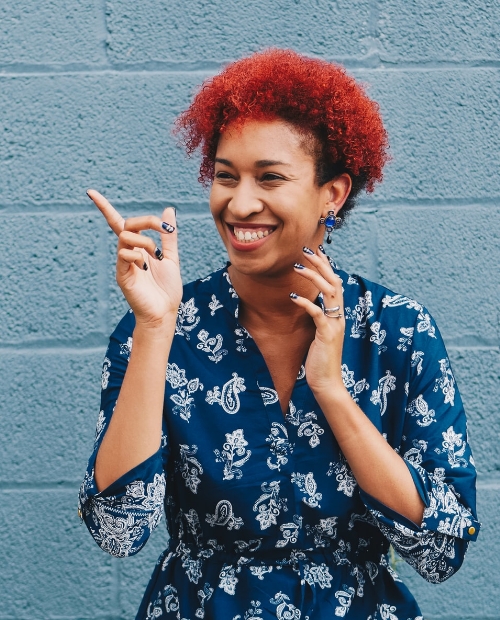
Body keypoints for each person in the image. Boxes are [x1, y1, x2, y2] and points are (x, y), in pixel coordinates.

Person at [79, 49, 480, 619]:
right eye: (225, 176)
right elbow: (117, 531)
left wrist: (333, 393)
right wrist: (154, 327)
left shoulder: (397, 330)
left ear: (332, 194)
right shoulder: (160, 326)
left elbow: (442, 550)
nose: (240, 203)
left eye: (270, 177)